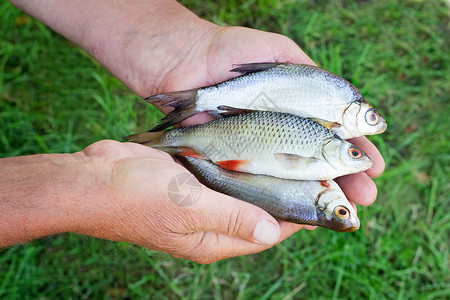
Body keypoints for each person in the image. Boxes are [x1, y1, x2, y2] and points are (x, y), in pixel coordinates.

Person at [1, 0, 385, 264]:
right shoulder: (325, 146)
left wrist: (178, 45)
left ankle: (177, 139)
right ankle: (180, 134)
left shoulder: (321, 153)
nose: (357, 153)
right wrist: (91, 191)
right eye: (353, 153)